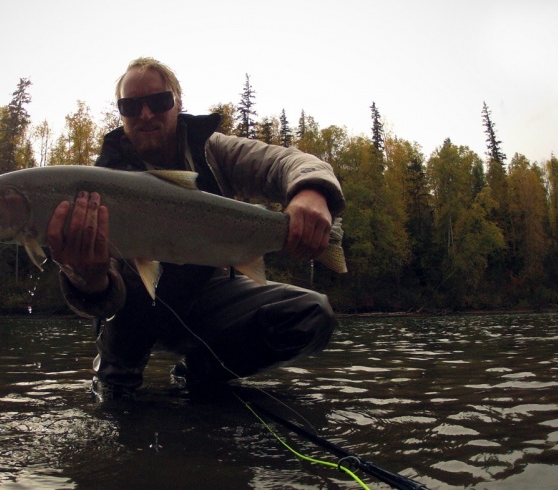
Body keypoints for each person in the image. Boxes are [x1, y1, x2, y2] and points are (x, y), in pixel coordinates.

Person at [46, 57, 345, 401]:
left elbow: (291, 162)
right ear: (121, 114)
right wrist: (88, 277)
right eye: (131, 106)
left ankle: (198, 373)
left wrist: (311, 191)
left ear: (178, 102)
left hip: (208, 294)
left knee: (312, 315)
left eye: (159, 102)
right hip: (131, 307)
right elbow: (101, 301)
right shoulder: (98, 185)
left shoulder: (212, 150)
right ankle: (117, 379)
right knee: (116, 403)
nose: (146, 115)